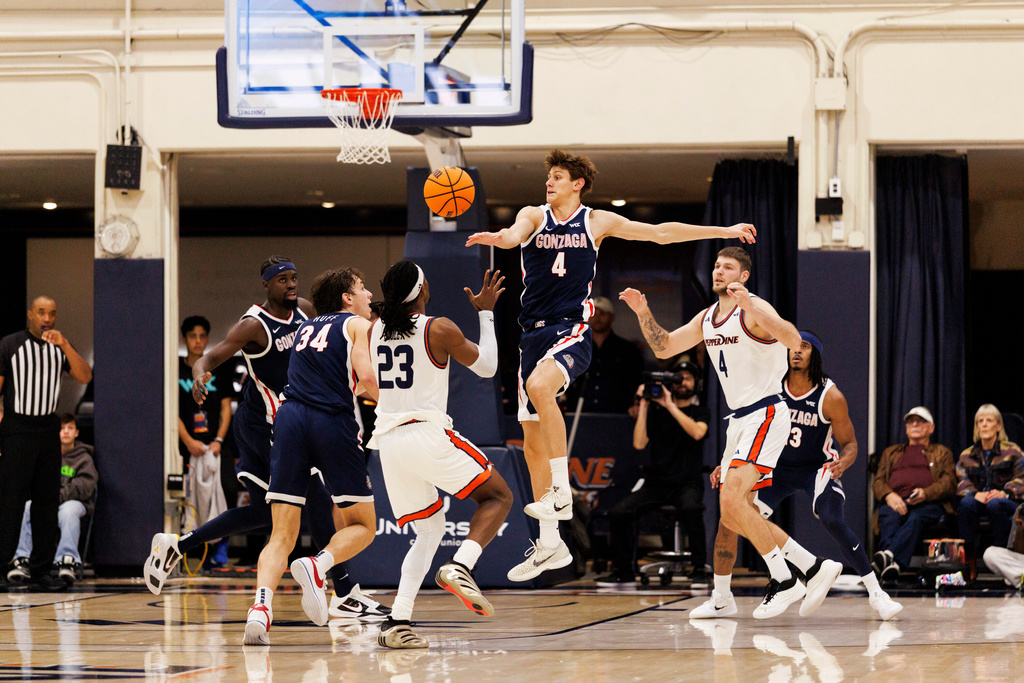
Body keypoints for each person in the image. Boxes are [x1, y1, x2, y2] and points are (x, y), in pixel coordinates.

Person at [465, 149, 756, 581]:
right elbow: (513, 234)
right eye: (549, 176)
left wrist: (722, 230)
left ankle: (561, 493)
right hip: (533, 334)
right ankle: (550, 544)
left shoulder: (596, 222)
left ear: (577, 184)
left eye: (558, 176)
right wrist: (500, 239)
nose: (549, 182)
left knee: (542, 388)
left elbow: (660, 233)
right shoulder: (534, 214)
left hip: (571, 329)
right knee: (531, 443)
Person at [145, 258, 388, 621]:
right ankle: (345, 591)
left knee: (267, 513)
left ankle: (178, 546)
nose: (291, 285)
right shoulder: (252, 325)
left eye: (294, 278)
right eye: (282, 280)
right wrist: (198, 375)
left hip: (294, 418)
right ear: (266, 285)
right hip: (263, 424)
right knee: (317, 501)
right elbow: (209, 357)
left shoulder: (307, 313)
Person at [621, 247, 837, 619]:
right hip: (738, 421)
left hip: (766, 412)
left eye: (729, 267)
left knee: (735, 500)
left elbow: (792, 340)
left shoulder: (754, 308)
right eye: (717, 266)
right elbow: (665, 346)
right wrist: (643, 313)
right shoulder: (707, 318)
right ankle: (750, 588)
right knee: (731, 515)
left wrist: (752, 307)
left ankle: (785, 579)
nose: (719, 271)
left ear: (743, 275)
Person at [369, 261, 513, 649]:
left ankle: (397, 620)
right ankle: (462, 564)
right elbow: (487, 367)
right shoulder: (439, 327)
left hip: (389, 443)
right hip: (425, 433)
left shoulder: (374, 329)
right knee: (499, 496)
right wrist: (485, 313)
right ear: (420, 291)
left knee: (430, 530)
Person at [244, 266, 380, 646]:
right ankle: (318, 565)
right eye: (363, 288)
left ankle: (260, 608)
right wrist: (397, 409)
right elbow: (367, 379)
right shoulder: (355, 326)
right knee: (362, 525)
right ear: (346, 299)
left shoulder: (303, 327)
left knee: (281, 534)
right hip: (330, 421)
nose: (369, 295)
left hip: (288, 419)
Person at [750, 331, 901, 619]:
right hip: (777, 468)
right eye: (792, 346)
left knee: (832, 518)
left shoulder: (830, 395)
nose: (796, 351)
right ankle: (786, 579)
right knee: (746, 517)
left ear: (814, 355)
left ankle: (877, 593)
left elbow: (851, 444)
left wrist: (844, 462)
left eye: (804, 347)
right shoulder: (771, 386)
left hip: (816, 468)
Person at [0, 295, 92, 590]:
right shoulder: (10, 344)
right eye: (41, 312)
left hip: (47, 427)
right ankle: (3, 566)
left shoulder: (59, 347)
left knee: (45, 502)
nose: (47, 318)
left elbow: (84, 375)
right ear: (31, 315)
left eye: (52, 313)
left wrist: (65, 344)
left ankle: (40, 571)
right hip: (16, 426)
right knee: (11, 502)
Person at [596, 362, 710, 585]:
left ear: (697, 384)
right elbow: (639, 444)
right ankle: (624, 570)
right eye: (679, 377)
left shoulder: (700, 412)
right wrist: (644, 405)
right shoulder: (657, 413)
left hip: (687, 483)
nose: (683, 382)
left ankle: (698, 568)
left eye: (688, 378)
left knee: (692, 508)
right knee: (619, 512)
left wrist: (669, 405)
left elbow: (697, 433)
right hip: (657, 482)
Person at [7, 413, 97, 587]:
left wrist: (57, 497)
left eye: (70, 428)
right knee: (26, 507)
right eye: (62, 428)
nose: (65, 432)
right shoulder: (48, 454)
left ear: (77, 433)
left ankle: (66, 559)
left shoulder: (84, 458)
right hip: (48, 503)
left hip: (72, 503)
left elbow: (85, 485)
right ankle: (22, 558)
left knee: (69, 511)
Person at [871, 406, 956, 583]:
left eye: (920, 420)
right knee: (888, 514)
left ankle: (887, 558)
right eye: (911, 421)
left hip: (930, 504)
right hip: (896, 501)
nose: (915, 423)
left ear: (931, 428)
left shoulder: (942, 453)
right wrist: (889, 496)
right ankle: (892, 565)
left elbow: (949, 483)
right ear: (906, 428)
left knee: (916, 517)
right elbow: (878, 482)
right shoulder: (891, 453)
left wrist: (926, 493)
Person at [178, 315, 234, 568]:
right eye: (193, 336)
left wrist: (220, 439)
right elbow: (172, 410)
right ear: (184, 339)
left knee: (228, 488)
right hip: (187, 446)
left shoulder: (218, 368)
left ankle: (221, 545)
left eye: (202, 336)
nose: (198, 341)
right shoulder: (176, 369)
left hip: (215, 444)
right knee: (189, 498)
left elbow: (225, 408)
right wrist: (188, 440)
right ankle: (192, 547)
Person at [955, 404, 1024, 580]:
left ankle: (1002, 555)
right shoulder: (966, 455)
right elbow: (961, 480)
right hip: (979, 499)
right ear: (977, 427)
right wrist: (973, 493)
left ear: (998, 426)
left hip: (1004, 500)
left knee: (996, 504)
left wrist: (1005, 492)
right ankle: (969, 561)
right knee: (965, 504)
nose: (984, 424)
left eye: (989, 420)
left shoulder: (1013, 451)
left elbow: (1021, 478)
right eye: (980, 421)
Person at [562, 296, 644, 414]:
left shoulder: (627, 350)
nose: (597, 317)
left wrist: (635, 404)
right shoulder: (576, 347)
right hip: (578, 414)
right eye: (594, 313)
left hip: (618, 414)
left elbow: (635, 381)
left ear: (612, 317)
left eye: (603, 313)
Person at [982, 502, 1024, 590]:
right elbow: (1018, 551)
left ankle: (1017, 578)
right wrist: (1020, 528)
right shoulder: (1021, 510)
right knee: (990, 553)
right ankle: (1020, 579)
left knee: (1009, 577)